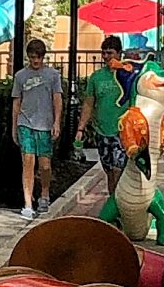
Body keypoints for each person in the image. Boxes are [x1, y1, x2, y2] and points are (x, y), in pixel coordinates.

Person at [11, 37, 64, 219]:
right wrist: (14, 127)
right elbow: (16, 102)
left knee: (45, 165)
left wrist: (57, 122)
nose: (36, 61)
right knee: (28, 162)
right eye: (33, 57)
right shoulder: (20, 76)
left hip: (45, 125)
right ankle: (27, 203)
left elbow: (57, 99)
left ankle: (45, 194)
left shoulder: (52, 76)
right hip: (25, 123)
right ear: (28, 57)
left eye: (39, 57)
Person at [77, 34, 130, 190]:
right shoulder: (96, 77)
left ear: (119, 54)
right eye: (104, 53)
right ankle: (113, 201)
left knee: (117, 169)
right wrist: (81, 128)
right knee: (109, 170)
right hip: (102, 131)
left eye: (110, 53)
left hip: (121, 131)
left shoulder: (127, 74)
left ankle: (117, 206)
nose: (106, 56)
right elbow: (88, 104)